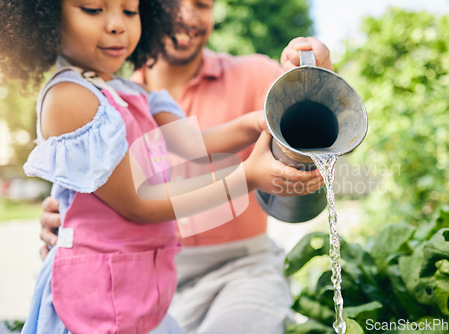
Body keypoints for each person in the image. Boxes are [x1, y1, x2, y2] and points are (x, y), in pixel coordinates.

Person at [0, 0, 324, 333]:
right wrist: (247, 177)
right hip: (94, 297)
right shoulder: (69, 97)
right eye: (93, 9)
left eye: (129, 11)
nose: (117, 25)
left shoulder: (131, 91)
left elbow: (192, 144)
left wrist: (257, 122)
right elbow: (139, 203)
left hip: (136, 286)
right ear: (50, 18)